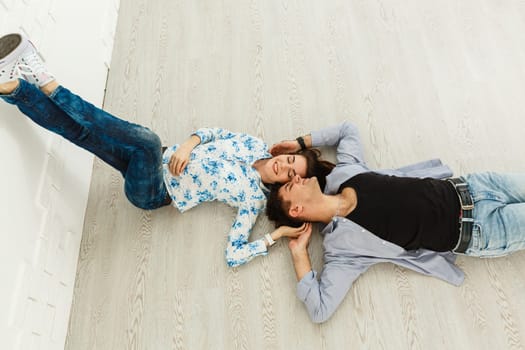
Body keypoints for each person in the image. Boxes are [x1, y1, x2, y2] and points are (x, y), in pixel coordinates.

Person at [0, 33, 334, 267]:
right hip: (157, 156)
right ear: (283, 153)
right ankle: (15, 89)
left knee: (144, 138)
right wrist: (189, 144)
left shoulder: (254, 199)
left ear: (283, 186)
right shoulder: (254, 145)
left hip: (155, 191)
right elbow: (211, 132)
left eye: (291, 175)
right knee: (82, 135)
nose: (284, 168)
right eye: (289, 161)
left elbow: (233, 255)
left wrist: (275, 235)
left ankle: (46, 80)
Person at [266, 121, 525, 323]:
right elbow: (320, 309)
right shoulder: (343, 252)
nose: (298, 177)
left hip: (475, 185)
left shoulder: (345, 173)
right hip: (481, 229)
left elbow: (347, 130)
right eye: (291, 184)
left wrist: (299, 143)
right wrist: (299, 253)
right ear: (297, 210)